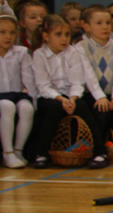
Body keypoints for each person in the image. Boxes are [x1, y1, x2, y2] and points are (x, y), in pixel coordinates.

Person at [28, 14, 105, 169]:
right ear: (46, 36)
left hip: (71, 95)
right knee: (54, 108)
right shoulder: (39, 55)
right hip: (50, 96)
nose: (64, 39)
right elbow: (43, 86)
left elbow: (77, 82)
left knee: (82, 107)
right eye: (58, 34)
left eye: (67, 34)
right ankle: (42, 154)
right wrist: (61, 99)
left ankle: (100, 152)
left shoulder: (73, 52)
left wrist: (72, 98)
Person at [77, 5, 113, 162]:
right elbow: (88, 74)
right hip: (92, 94)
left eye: (108, 23)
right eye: (99, 23)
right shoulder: (81, 47)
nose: (105, 27)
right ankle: (98, 151)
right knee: (101, 111)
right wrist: (100, 97)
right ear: (86, 26)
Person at [0, 13, 36, 168]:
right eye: (2, 32)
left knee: (27, 108)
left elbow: (29, 79)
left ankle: (18, 150)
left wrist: (34, 100)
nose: (8, 36)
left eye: (12, 32)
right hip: (1, 96)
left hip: (16, 94)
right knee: (7, 106)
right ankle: (7, 153)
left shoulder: (21, 52)